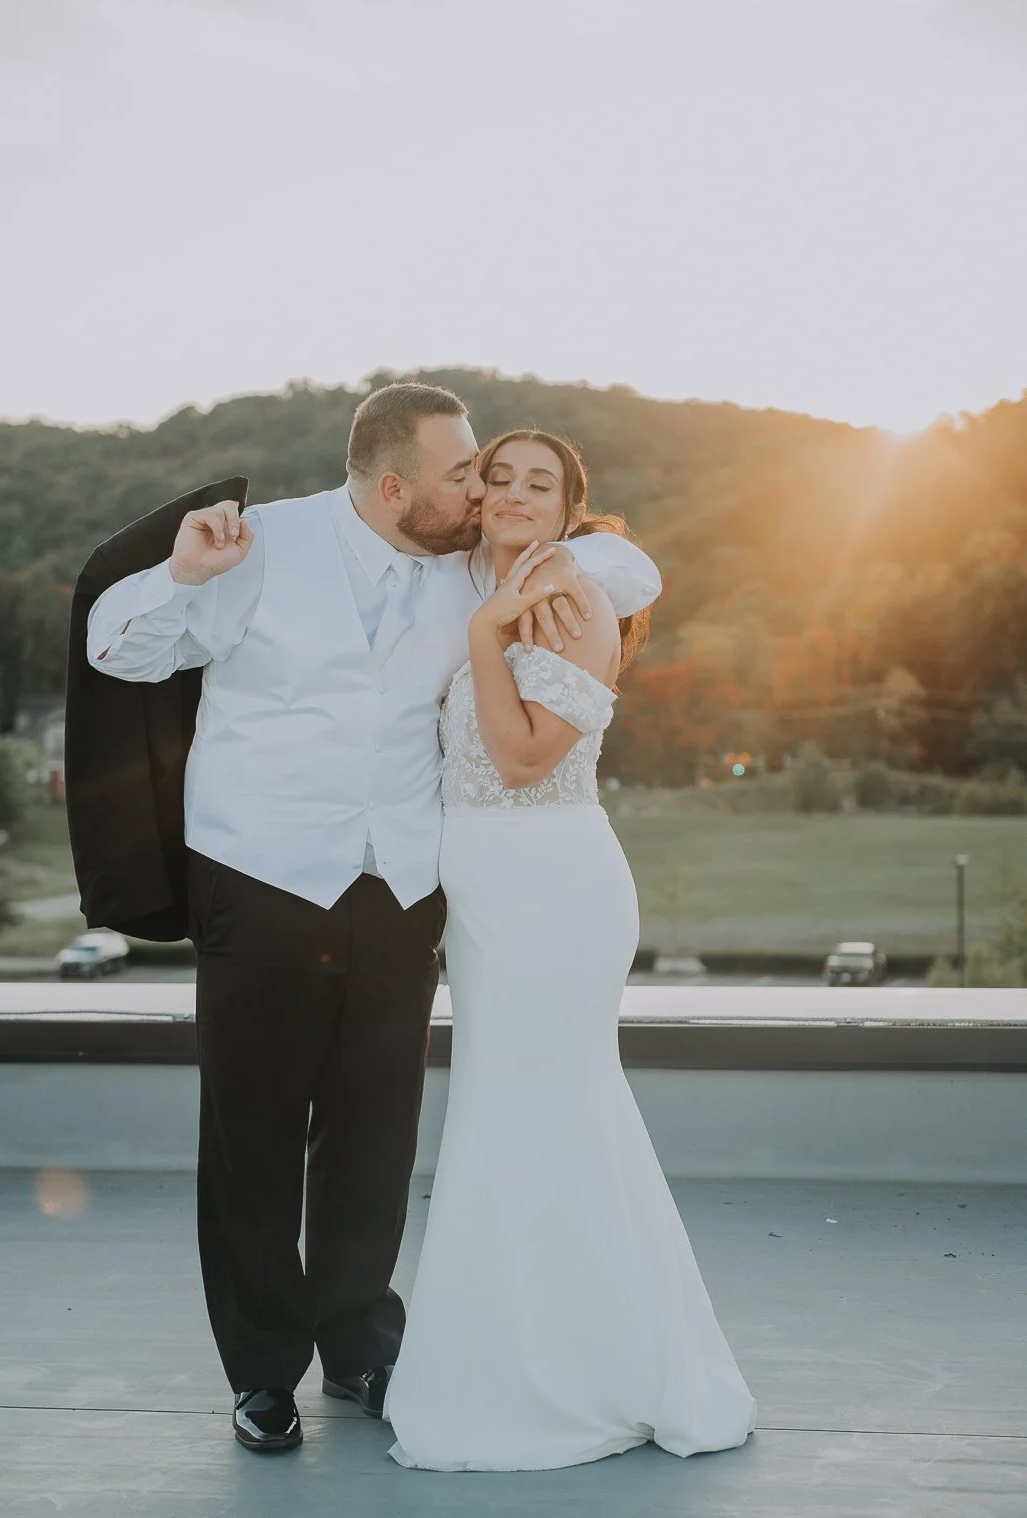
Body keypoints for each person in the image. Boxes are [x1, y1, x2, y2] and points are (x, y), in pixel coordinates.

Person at [84, 385, 661, 1453]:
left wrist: (567, 560)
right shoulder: (257, 547)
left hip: (399, 884)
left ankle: (359, 1345)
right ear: (395, 486)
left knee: (374, 1135)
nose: (481, 489)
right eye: (464, 473)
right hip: (259, 876)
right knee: (251, 1136)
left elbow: (631, 568)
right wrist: (179, 572)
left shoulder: (463, 563)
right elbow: (117, 648)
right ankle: (262, 1371)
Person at [384, 430, 757, 1471]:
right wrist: (483, 619)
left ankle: (577, 1374)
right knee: (515, 1124)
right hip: (495, 902)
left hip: (551, 892)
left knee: (540, 1118)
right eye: (496, 477)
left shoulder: (568, 600)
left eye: (536, 484)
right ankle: (538, 1352)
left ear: (568, 509)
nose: (510, 493)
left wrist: (481, 637)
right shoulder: (502, 587)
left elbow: (519, 757)